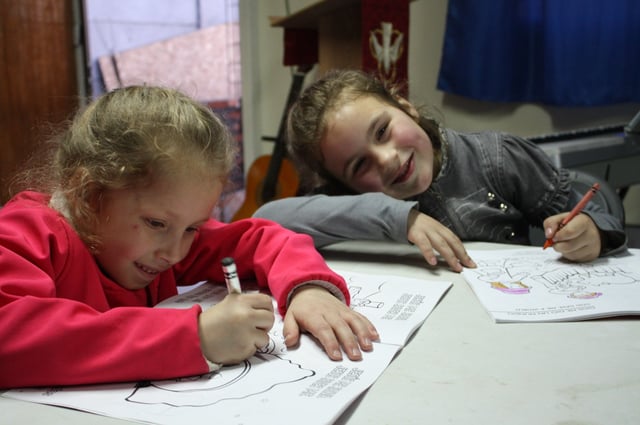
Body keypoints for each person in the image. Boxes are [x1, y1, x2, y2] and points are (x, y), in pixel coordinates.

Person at [0, 85, 378, 389]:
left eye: (193, 228)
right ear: (87, 192)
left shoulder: (164, 240)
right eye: (155, 224)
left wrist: (307, 288)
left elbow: (263, 238)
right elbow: (9, 336)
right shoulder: (29, 232)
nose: (176, 252)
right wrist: (195, 336)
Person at [254, 69, 627, 272]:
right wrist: (400, 218)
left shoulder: (497, 157)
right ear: (343, 183)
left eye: (383, 131)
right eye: (360, 164)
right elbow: (267, 218)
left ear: (406, 107)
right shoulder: (354, 198)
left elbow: (598, 213)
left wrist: (593, 233)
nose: (386, 159)